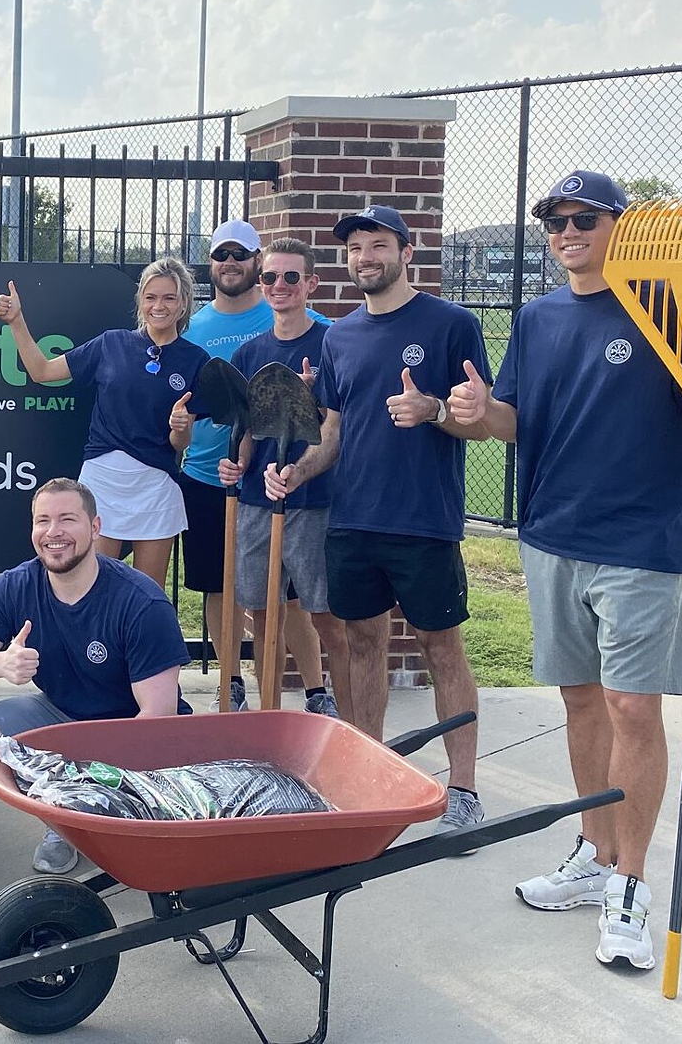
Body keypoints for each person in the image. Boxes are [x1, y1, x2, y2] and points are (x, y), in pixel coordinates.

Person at [447, 171, 682, 971]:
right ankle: (594, 852)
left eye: (585, 218)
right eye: (554, 221)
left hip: (640, 542)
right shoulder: (537, 318)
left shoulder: (666, 308)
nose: (567, 232)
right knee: (580, 700)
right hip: (551, 535)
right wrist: (477, 413)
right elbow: (513, 420)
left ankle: (631, 884)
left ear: (620, 224)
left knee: (632, 707)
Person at [264, 205, 490, 834]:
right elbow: (334, 431)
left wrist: (434, 409)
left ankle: (463, 790)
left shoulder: (452, 325)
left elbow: (482, 423)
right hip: (352, 523)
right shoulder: (339, 337)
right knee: (362, 646)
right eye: (356, 247)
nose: (365, 257)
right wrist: (298, 472)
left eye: (378, 244)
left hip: (424, 522)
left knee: (442, 649)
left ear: (406, 252)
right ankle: (369, 780)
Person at [0, 478, 191, 873]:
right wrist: (0, 663)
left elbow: (158, 717)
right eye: (43, 521)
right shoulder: (17, 586)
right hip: (61, 714)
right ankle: (63, 823)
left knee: (142, 840)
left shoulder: (141, 602)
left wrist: (95, 773)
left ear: (95, 527)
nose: (53, 532)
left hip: (130, 728)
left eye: (68, 519)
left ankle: (106, 816)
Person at [0, 257, 208, 587]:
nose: (159, 306)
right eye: (151, 297)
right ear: (140, 301)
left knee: (148, 593)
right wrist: (16, 321)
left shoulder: (195, 360)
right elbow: (42, 371)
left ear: (183, 304)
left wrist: (181, 428)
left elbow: (179, 444)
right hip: (103, 481)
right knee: (92, 587)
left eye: (169, 298)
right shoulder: (111, 343)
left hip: (156, 485)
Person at [216, 239, 345, 718]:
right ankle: (268, 712)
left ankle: (332, 701)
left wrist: (311, 403)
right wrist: (237, 463)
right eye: (270, 277)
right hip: (256, 499)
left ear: (311, 283)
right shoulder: (251, 353)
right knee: (263, 610)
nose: (279, 286)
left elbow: (337, 426)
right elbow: (247, 430)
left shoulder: (333, 344)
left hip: (314, 501)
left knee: (323, 613)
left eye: (291, 277)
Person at [179, 220, 271, 711]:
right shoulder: (192, 328)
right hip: (205, 475)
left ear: (257, 260)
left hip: (270, 477)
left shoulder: (282, 314)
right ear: (210, 263)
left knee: (275, 592)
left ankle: (282, 687)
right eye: (221, 255)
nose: (230, 263)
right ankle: (230, 682)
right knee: (218, 586)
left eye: (241, 254)